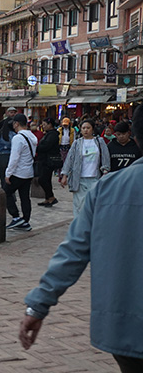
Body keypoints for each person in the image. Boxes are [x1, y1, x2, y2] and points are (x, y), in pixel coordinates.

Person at [19, 106, 143, 373]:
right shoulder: (104, 186)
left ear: (135, 138)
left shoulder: (108, 189)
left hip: (121, 329)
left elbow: (73, 252)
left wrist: (37, 307)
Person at [60, 119, 110, 217]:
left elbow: (105, 157)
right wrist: (64, 175)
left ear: (92, 129)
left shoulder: (99, 142)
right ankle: (79, 227)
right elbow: (70, 159)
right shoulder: (77, 143)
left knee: (93, 204)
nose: (86, 130)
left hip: (95, 178)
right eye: (83, 128)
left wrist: (105, 171)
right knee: (79, 205)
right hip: (79, 179)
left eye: (88, 128)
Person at [5, 114, 38, 232]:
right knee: (25, 197)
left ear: (17, 124)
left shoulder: (18, 138)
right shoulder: (32, 136)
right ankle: (25, 220)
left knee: (6, 192)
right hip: (28, 172)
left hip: (18, 172)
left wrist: (8, 173)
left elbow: (14, 157)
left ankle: (16, 217)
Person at [36, 118, 61, 207]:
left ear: (50, 124)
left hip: (48, 161)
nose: (43, 126)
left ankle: (51, 197)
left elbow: (45, 146)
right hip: (44, 160)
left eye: (45, 124)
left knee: (43, 179)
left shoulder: (53, 135)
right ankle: (48, 198)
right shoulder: (48, 134)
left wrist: (38, 147)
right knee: (46, 179)